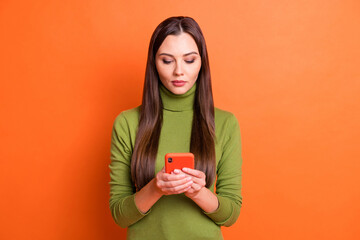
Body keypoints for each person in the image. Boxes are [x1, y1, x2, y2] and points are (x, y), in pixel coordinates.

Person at [109, 16, 243, 240]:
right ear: (154, 63)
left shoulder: (225, 123)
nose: (179, 71)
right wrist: (156, 188)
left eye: (189, 60)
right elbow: (119, 215)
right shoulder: (127, 123)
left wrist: (198, 192)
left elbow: (231, 214)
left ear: (202, 62)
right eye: (167, 60)